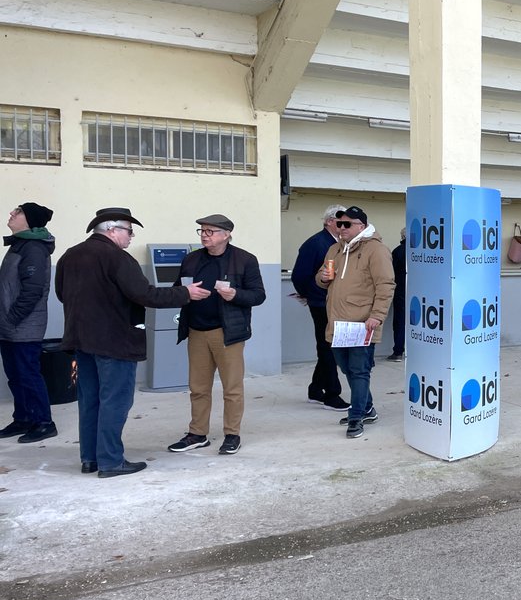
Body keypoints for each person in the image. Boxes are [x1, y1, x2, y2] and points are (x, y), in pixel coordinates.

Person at [56, 207, 209, 477]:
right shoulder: (117, 258)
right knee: (115, 401)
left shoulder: (71, 255)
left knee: (90, 400)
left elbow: (61, 293)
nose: (131, 236)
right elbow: (145, 295)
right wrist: (186, 293)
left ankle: (90, 459)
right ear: (111, 229)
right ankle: (111, 461)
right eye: (128, 230)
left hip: (81, 340)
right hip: (115, 342)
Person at [166, 215, 266, 456]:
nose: (204, 235)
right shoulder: (191, 259)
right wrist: (185, 293)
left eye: (210, 231)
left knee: (232, 388)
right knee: (198, 388)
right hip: (196, 330)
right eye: (201, 230)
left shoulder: (244, 260)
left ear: (226, 234)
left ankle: (232, 434)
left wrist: (235, 295)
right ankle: (197, 434)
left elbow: (258, 295)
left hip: (227, 333)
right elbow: (176, 289)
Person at [317, 206, 395, 438]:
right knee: (346, 368)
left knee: (360, 371)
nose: (341, 228)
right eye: (339, 224)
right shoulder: (335, 249)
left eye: (347, 224)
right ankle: (367, 408)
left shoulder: (376, 250)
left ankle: (356, 416)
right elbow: (321, 279)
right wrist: (322, 278)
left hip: (362, 323)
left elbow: (385, 285)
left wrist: (377, 315)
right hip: (338, 323)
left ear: (361, 225)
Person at [0, 202, 57, 443]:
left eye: (18, 211)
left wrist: (11, 318)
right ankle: (23, 418)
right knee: (15, 375)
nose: (11, 214)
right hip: (9, 326)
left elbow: (32, 291)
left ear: (30, 220)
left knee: (28, 374)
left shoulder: (33, 247)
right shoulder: (19, 244)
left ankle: (44, 422)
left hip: (23, 326)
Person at [290, 204, 349, 412]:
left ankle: (316, 390)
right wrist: (311, 294)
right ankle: (332, 394)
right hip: (321, 302)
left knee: (329, 346)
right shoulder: (316, 243)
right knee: (328, 347)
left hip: (334, 303)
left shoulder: (339, 243)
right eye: (342, 221)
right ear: (330, 222)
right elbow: (299, 275)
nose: (345, 226)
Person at [387, 228, 407, 361]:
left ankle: (398, 351)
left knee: (400, 322)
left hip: (400, 292)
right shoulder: (423, 251)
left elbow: (390, 273)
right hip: (420, 292)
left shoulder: (398, 251)